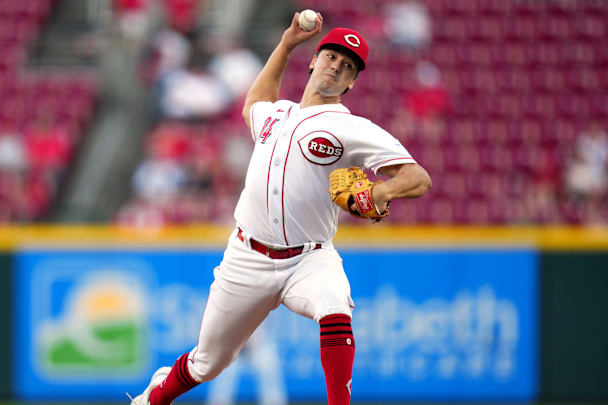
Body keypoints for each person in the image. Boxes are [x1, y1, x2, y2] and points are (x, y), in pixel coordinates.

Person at [129, 11, 431, 405]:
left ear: (352, 81)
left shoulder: (351, 128)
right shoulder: (277, 114)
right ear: (315, 59)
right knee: (207, 363)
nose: (336, 67)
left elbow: (418, 178)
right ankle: (153, 399)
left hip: (309, 258)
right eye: (331, 57)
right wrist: (287, 44)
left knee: (334, 303)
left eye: (347, 67)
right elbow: (254, 101)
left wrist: (378, 193)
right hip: (247, 255)